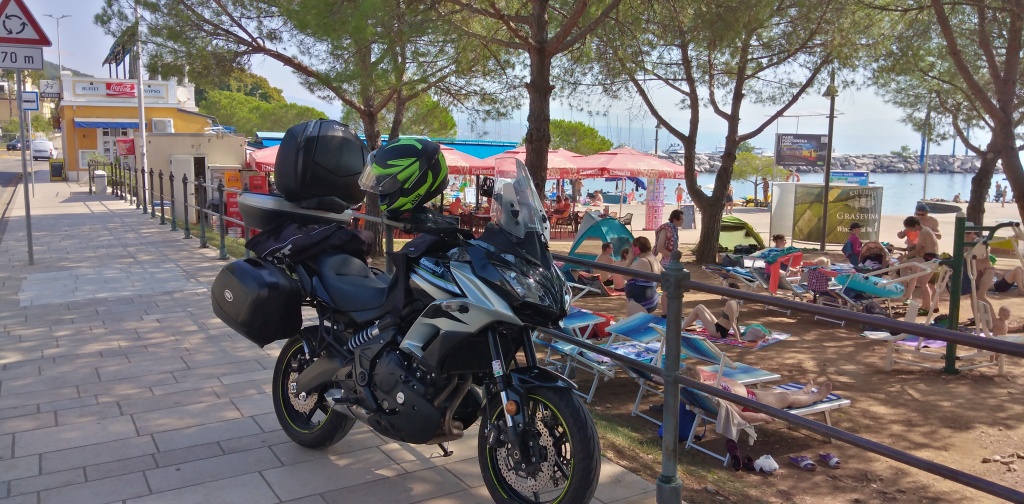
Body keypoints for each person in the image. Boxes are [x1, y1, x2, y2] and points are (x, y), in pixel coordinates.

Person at [681, 366, 834, 425]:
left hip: (750, 395)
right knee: (786, 398)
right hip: (752, 404)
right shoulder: (715, 394)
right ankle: (817, 396)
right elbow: (740, 415)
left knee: (775, 392)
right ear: (700, 381)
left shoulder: (699, 390)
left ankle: (803, 392)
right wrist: (762, 417)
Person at [900, 216, 940, 315]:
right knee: (924, 284)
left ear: (915, 226)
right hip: (930, 257)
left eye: (910, 228)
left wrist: (902, 257)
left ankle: (926, 308)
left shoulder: (923, 232)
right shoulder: (925, 231)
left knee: (923, 283)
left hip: (930, 258)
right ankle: (925, 307)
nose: (910, 231)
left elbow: (917, 250)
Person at [625, 237, 662, 315]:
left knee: (634, 323)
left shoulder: (642, 261)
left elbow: (624, 276)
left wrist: (630, 259)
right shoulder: (654, 259)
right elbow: (661, 277)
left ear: (636, 249)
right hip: (651, 300)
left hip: (640, 303)